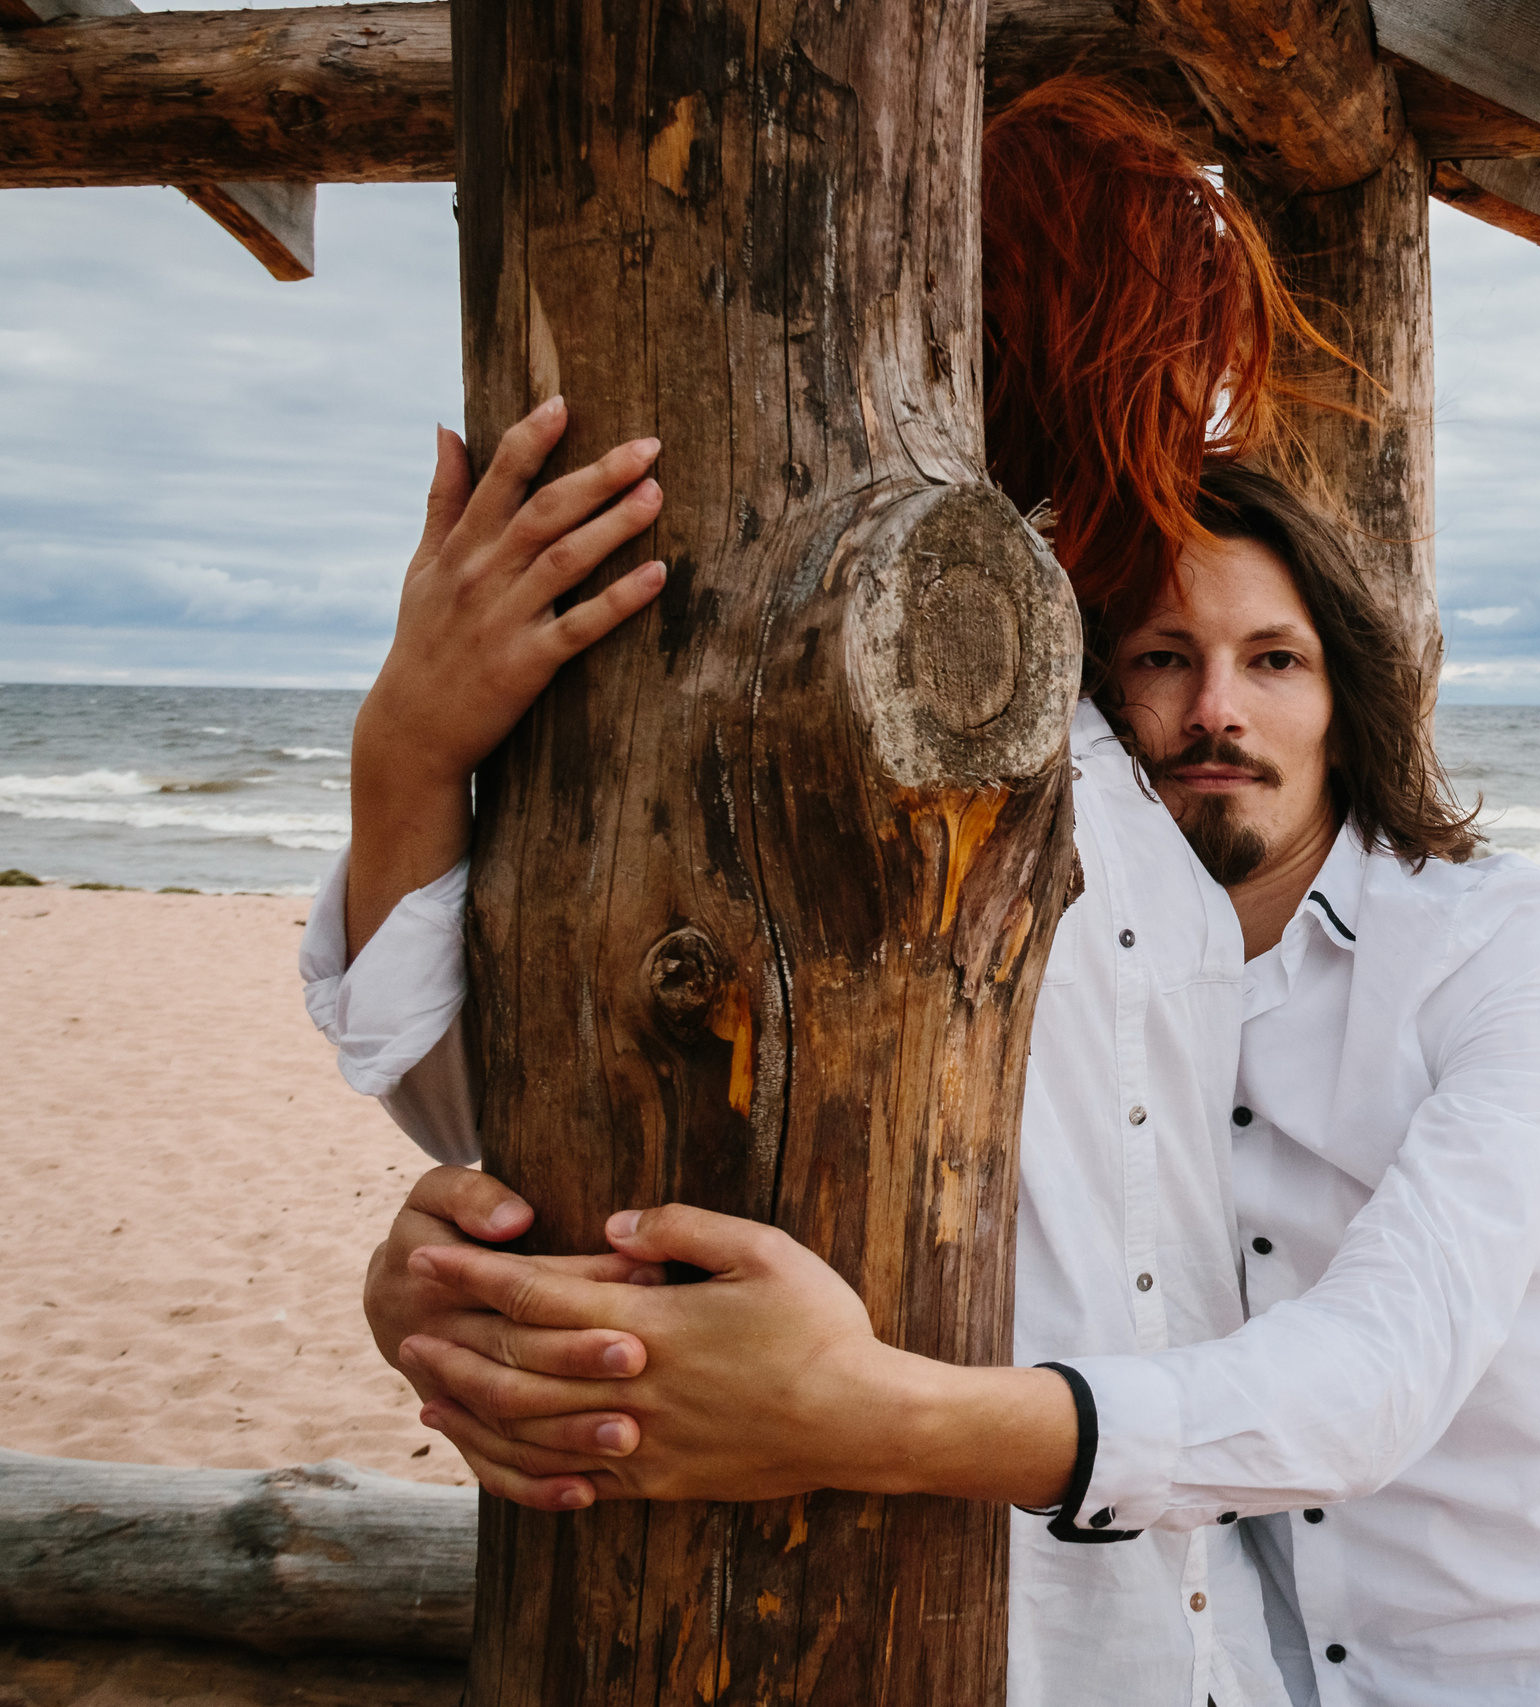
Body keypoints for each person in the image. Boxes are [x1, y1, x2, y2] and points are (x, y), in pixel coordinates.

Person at [345, 466, 1540, 1704]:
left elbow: (1374, 1379)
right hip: (1274, 1673)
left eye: (1274, 662)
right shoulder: (1087, 962)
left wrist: (863, 1415)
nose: (1216, 711)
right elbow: (560, 1082)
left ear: (1348, 712)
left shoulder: (1497, 940)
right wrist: (410, 758)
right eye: (1162, 660)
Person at [313, 77, 1333, 1707]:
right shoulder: (798, 683)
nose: (1197, 430)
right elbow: (507, 1110)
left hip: (1183, 1619)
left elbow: (1291, 1050)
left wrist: (1528, 1116)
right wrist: (408, 753)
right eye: (1171, 376)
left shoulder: (1140, 761)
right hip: (852, 1618)